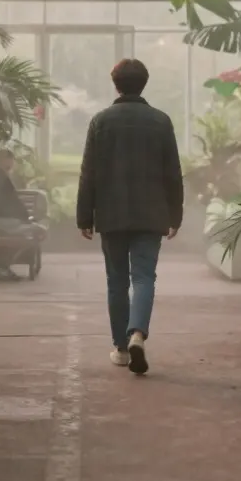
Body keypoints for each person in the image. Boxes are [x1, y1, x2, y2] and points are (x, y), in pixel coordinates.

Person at [76, 58, 183, 375]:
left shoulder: (101, 121)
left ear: (115, 83)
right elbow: (172, 173)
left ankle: (121, 350)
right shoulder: (161, 121)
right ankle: (137, 332)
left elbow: (88, 173)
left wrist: (85, 217)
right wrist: (174, 214)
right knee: (144, 277)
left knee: (117, 281)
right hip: (151, 215)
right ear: (144, 83)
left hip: (111, 214)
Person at [0, 149, 47, 281]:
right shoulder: (1, 178)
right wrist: (27, 218)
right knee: (34, 231)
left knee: (26, 231)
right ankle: (3, 268)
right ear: (4, 160)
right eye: (11, 160)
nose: (13, 163)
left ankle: (3, 268)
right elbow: (11, 203)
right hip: (4, 222)